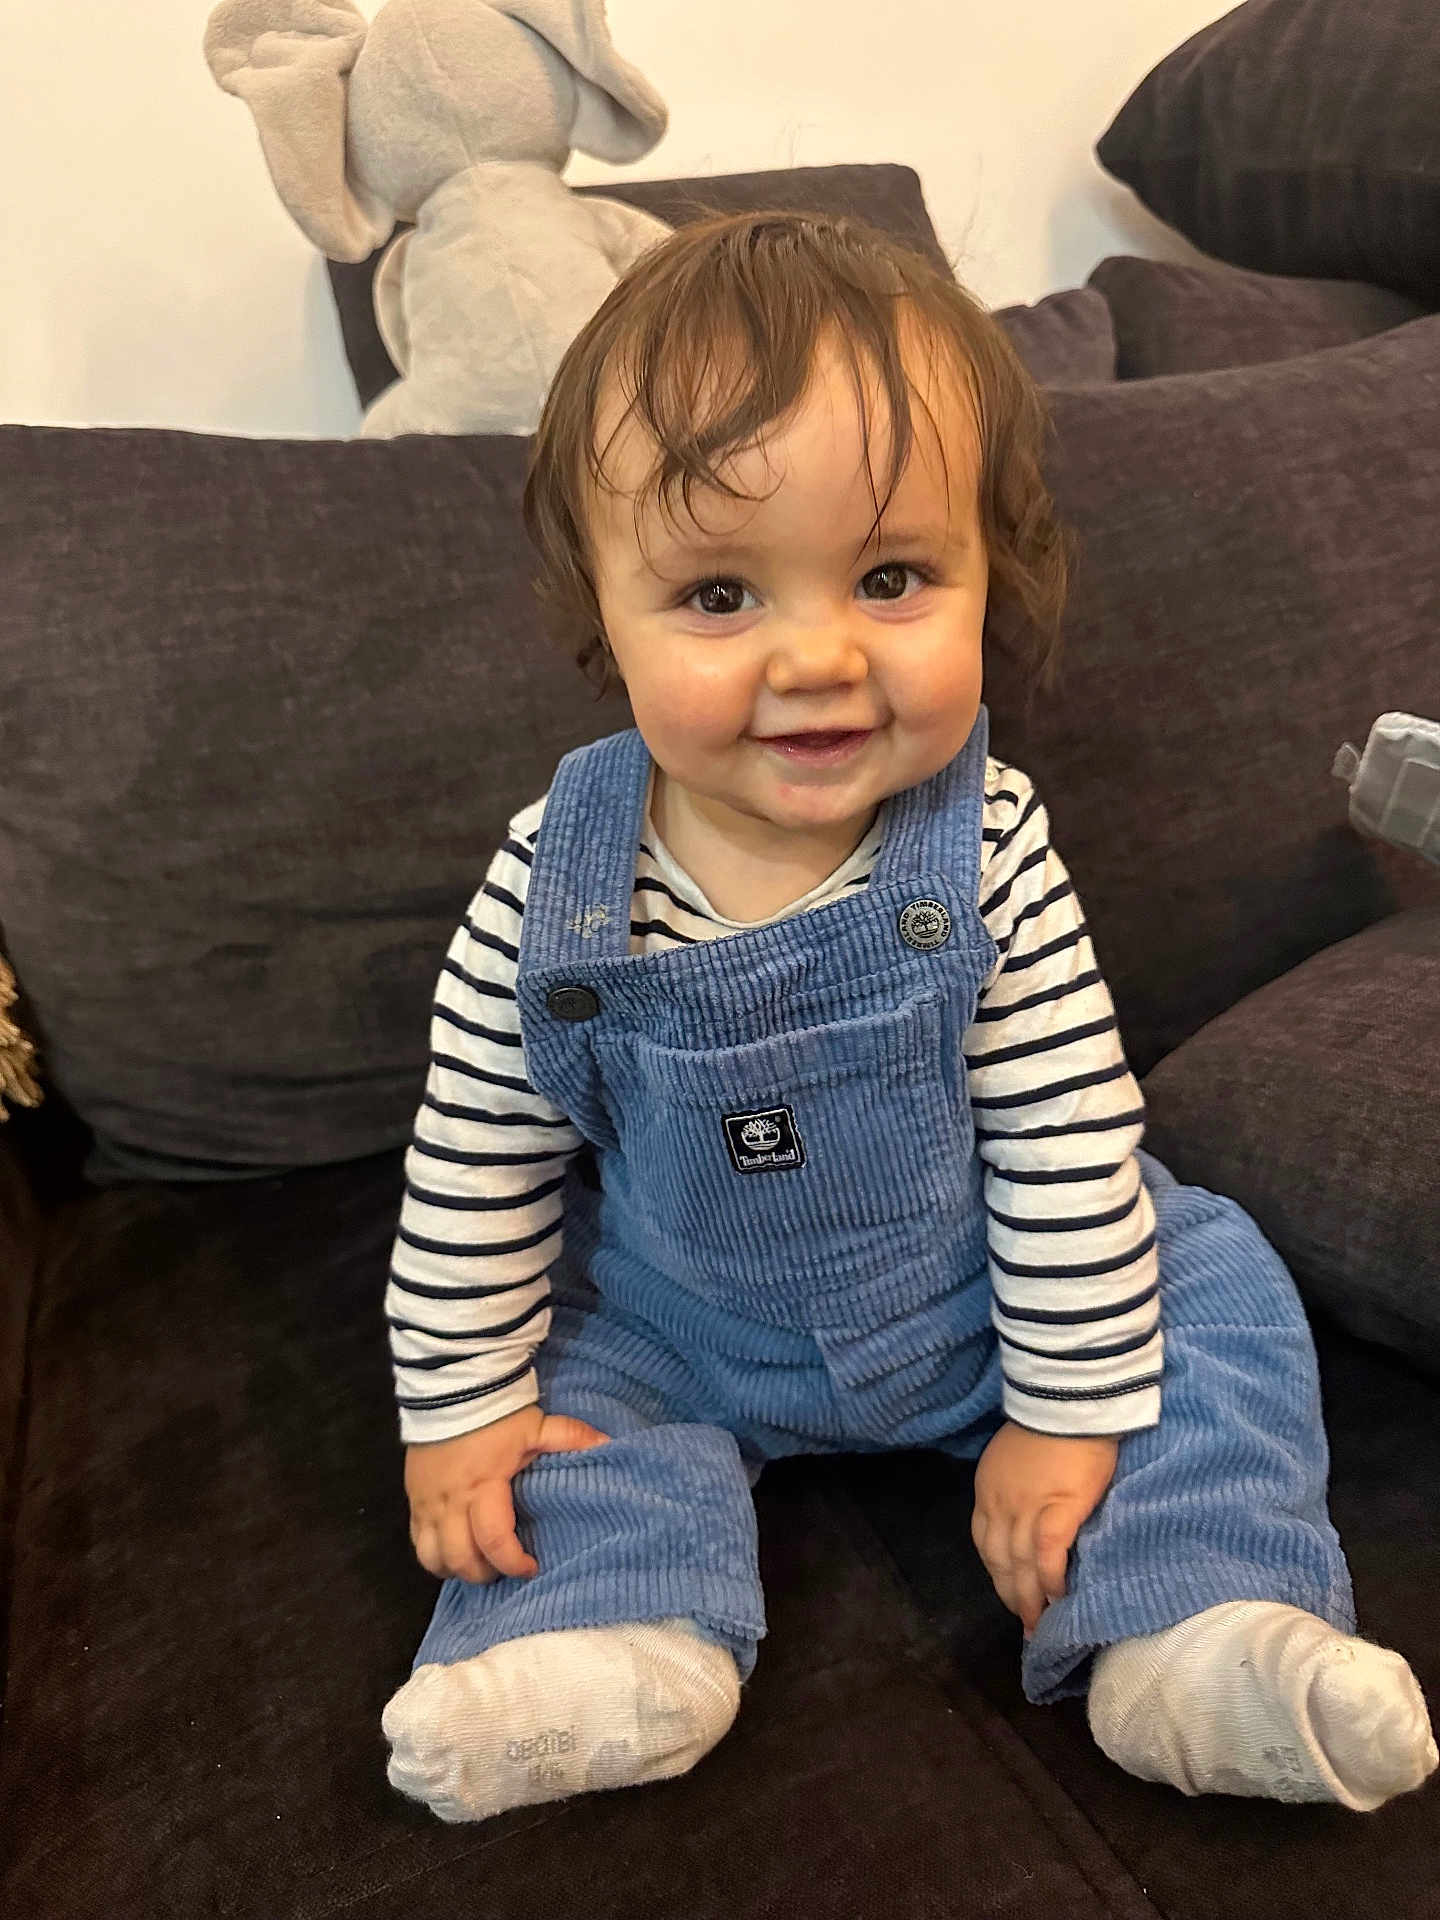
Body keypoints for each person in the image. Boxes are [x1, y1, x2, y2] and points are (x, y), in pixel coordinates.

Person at [378, 209, 1438, 1824]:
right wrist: (457, 1405)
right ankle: (600, 1644)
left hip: (977, 1297)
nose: (819, 656)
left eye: (890, 577)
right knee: (563, 1403)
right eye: (720, 593)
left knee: (1212, 1286)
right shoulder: (558, 881)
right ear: (603, 611)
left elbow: (1068, 1132)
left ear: (985, 575)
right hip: (689, 1318)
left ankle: (1199, 1621)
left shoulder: (988, 842)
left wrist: (1065, 1412)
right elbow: (476, 1156)